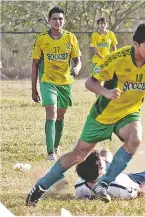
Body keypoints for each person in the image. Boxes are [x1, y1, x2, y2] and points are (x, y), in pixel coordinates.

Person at [26, 23, 145, 206]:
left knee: (135, 138)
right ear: (136, 44)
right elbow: (90, 83)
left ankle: (104, 183)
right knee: (79, 155)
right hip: (102, 116)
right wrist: (106, 92)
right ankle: (40, 186)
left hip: (128, 113)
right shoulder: (117, 58)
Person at [31, 6, 82, 161]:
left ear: (64, 21)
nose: (57, 21)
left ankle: (56, 146)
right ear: (49, 21)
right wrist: (34, 89)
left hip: (65, 82)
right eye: (54, 18)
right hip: (47, 81)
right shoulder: (41, 39)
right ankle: (50, 153)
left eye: (60, 19)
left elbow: (77, 60)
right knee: (51, 111)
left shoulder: (70, 38)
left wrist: (77, 68)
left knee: (60, 115)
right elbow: (34, 64)